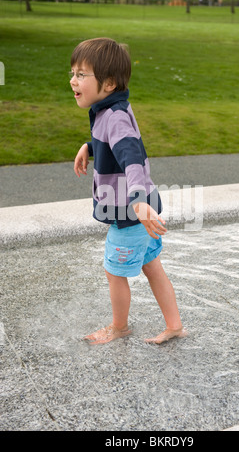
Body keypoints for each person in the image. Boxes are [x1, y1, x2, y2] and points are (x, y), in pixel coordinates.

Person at [71, 37, 187, 345]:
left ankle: (119, 327)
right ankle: (174, 325)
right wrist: (89, 146)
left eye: (82, 74)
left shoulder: (115, 116)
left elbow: (131, 158)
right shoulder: (110, 109)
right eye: (73, 73)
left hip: (130, 213)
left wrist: (136, 201)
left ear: (108, 83)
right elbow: (111, 143)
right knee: (152, 267)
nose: (73, 80)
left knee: (114, 272)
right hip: (141, 210)